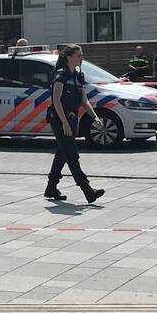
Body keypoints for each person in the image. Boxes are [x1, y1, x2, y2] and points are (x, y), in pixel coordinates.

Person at [46, 44, 105, 204]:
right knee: (72, 155)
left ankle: (51, 187)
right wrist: (64, 122)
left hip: (71, 119)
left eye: (81, 55)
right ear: (68, 57)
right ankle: (87, 190)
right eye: (78, 55)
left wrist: (95, 117)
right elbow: (56, 100)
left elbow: (84, 101)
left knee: (62, 153)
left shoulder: (77, 75)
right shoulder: (61, 74)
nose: (81, 58)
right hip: (59, 119)